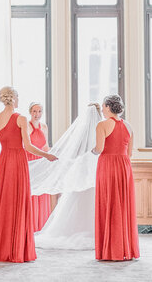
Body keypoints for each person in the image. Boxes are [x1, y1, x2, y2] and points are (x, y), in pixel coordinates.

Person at [0, 86, 57, 262]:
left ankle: (3, 250)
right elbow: (27, 146)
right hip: (18, 162)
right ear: (15, 99)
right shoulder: (21, 118)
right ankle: (18, 249)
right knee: (19, 202)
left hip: (4, 162)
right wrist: (47, 155)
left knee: (6, 204)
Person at [35, 103, 101, 250]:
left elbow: (76, 153)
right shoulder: (102, 129)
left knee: (77, 201)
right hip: (95, 172)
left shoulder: (83, 132)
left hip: (82, 171)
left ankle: (73, 229)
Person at [92, 94, 139, 261]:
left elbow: (99, 148)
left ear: (107, 107)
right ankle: (125, 248)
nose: (103, 109)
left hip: (108, 165)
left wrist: (91, 151)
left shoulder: (102, 125)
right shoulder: (129, 125)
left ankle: (110, 250)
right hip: (124, 167)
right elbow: (129, 153)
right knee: (123, 206)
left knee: (108, 204)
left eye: (104, 107)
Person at [27, 102, 51, 231]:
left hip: (41, 161)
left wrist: (50, 157)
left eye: (39, 111)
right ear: (30, 112)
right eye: (34, 111)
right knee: (31, 192)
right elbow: (26, 146)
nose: (37, 114)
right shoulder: (27, 126)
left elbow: (46, 145)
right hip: (30, 161)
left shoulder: (44, 126)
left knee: (42, 191)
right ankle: (31, 225)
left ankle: (41, 225)